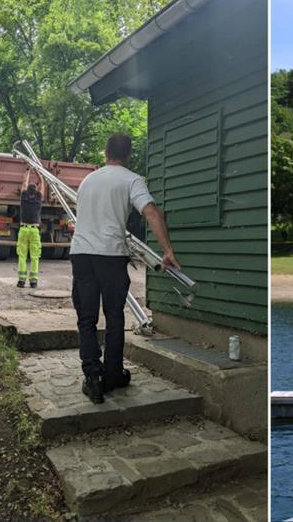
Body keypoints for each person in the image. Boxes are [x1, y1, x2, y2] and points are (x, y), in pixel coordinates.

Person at [70, 133, 180, 404]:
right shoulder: (131, 179)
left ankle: (93, 378)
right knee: (114, 314)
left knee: (86, 318)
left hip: (82, 254)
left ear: (106, 152)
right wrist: (167, 251)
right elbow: (152, 212)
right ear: (128, 154)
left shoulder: (87, 180)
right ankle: (113, 374)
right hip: (111, 255)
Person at [16, 170, 45, 288]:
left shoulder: (23, 197)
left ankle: (21, 281)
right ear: (37, 190)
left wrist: (28, 170)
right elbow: (42, 183)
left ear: (27, 190)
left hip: (23, 230)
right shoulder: (38, 199)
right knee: (34, 257)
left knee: (22, 256)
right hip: (34, 230)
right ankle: (33, 282)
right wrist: (38, 173)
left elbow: (24, 182)